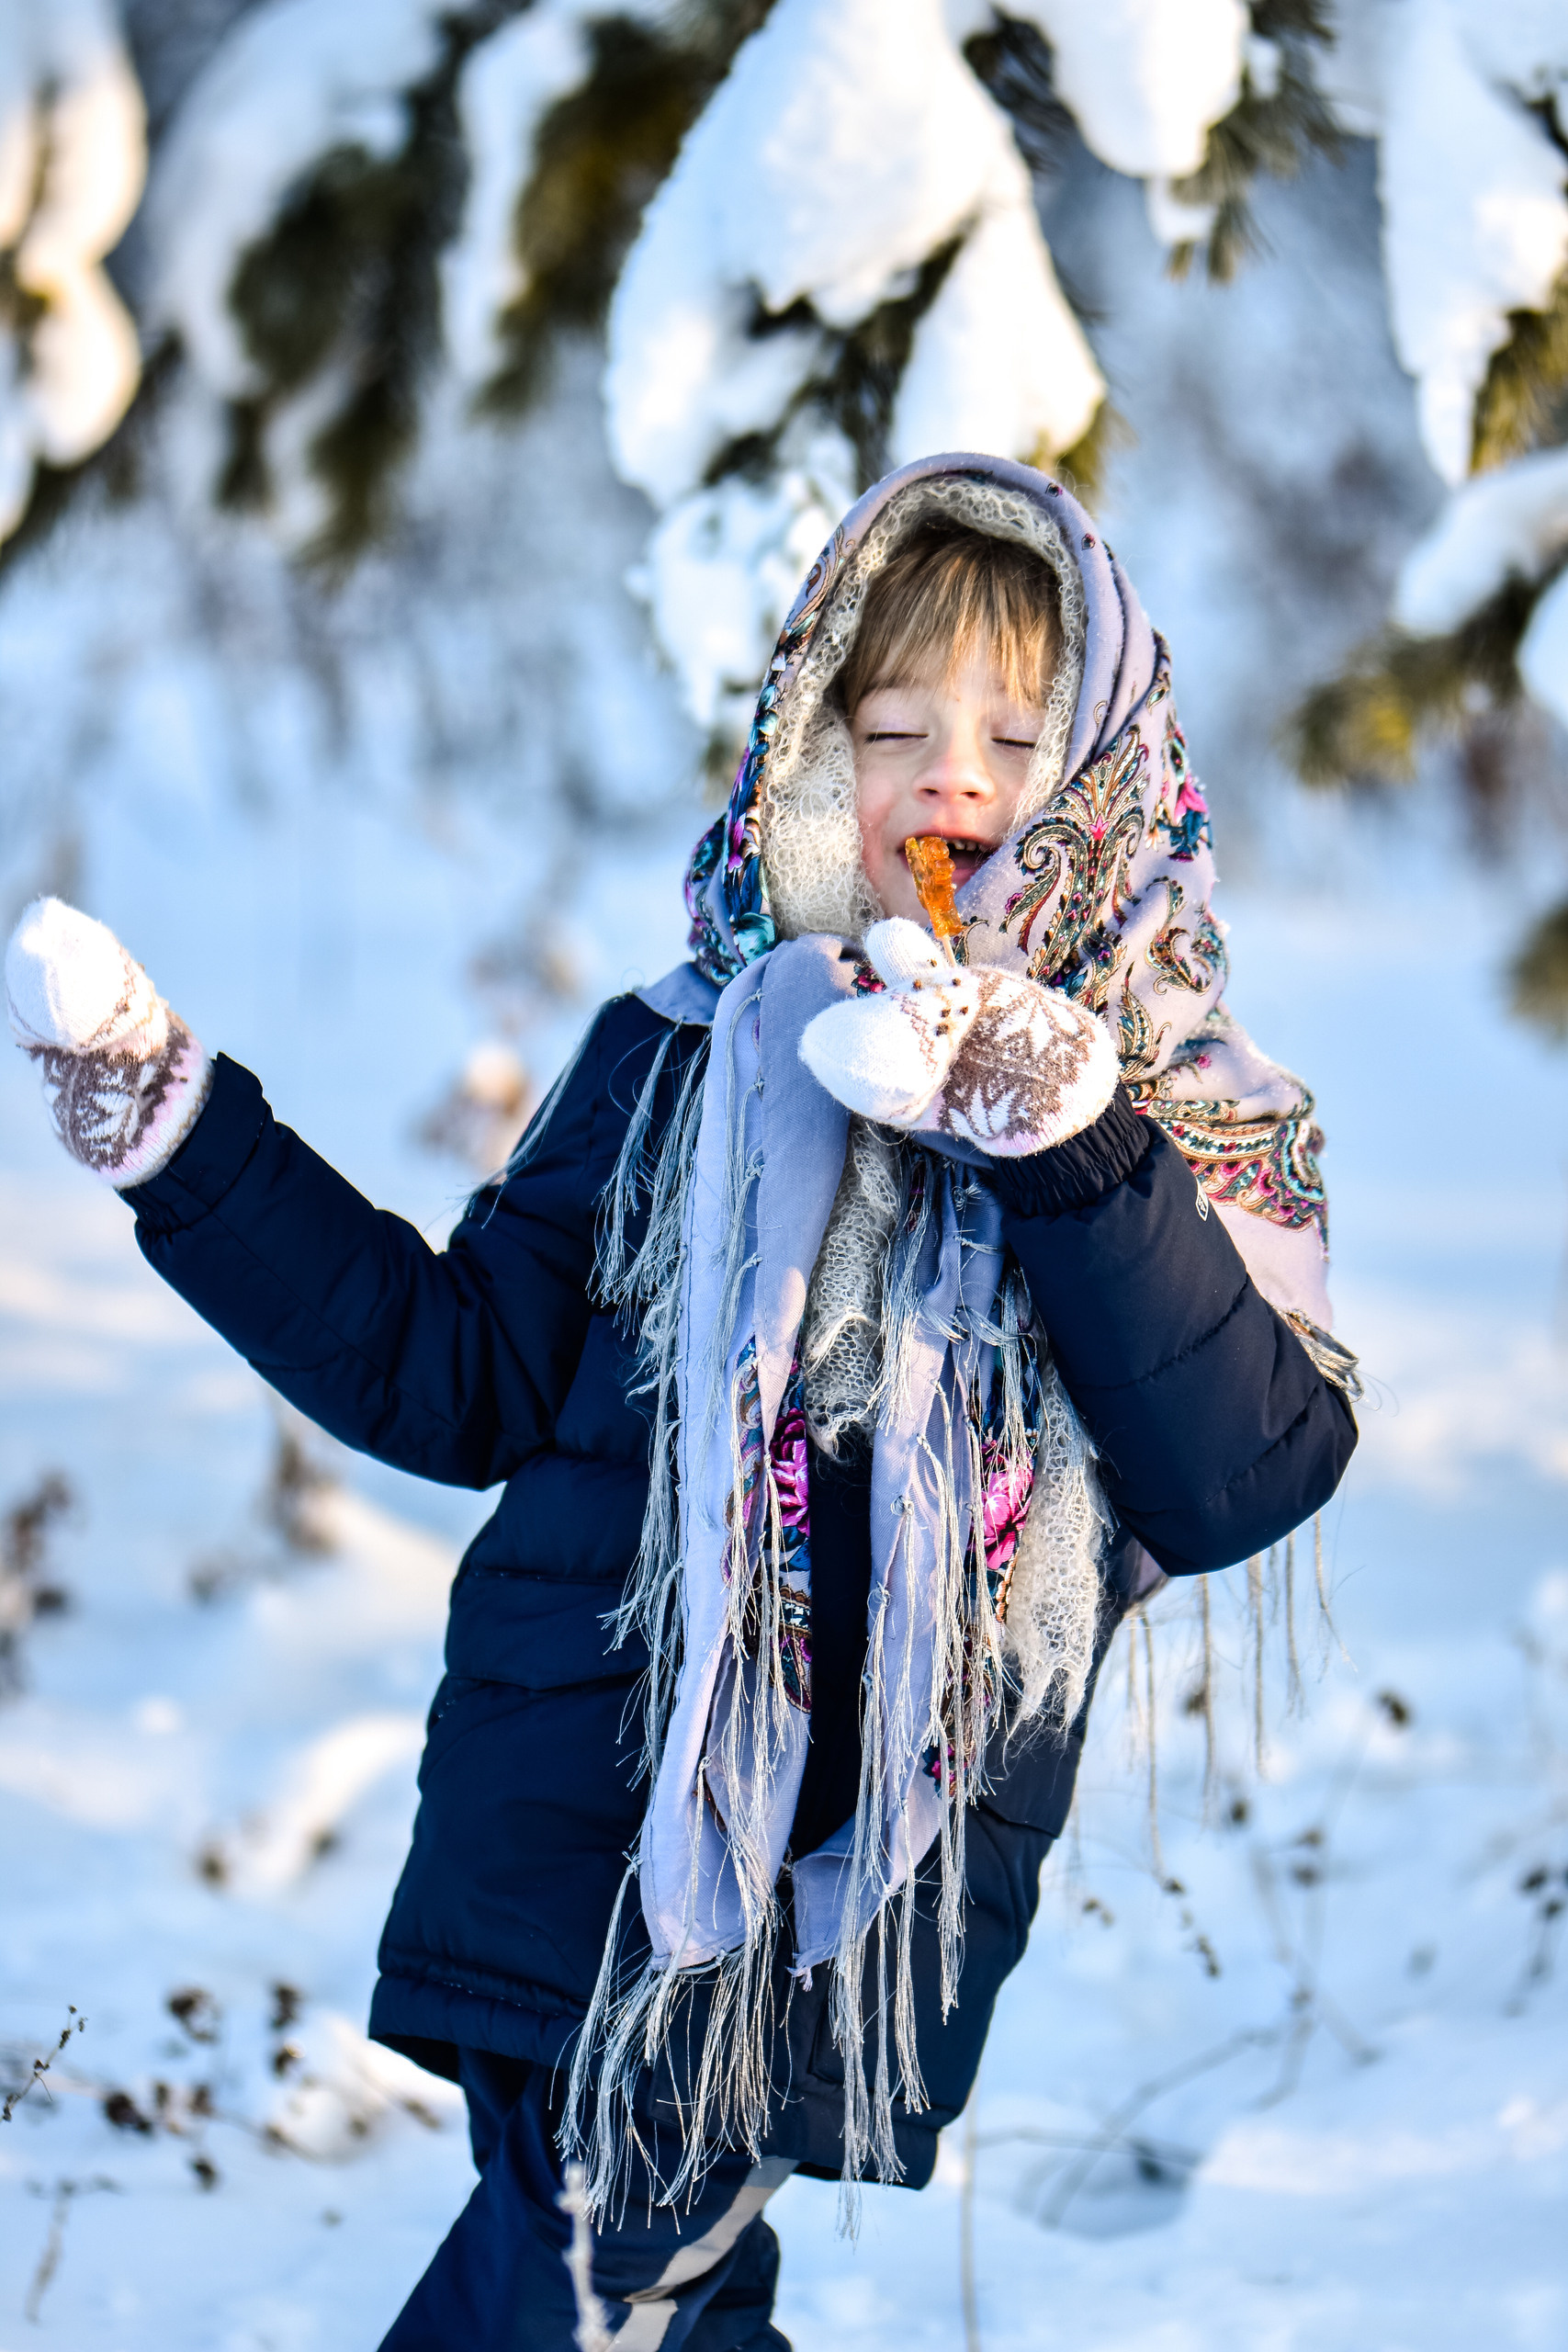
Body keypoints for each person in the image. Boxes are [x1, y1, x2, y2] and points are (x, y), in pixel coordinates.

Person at [6, 454, 1357, 2350]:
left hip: (807, 1913)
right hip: (563, 1829)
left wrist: (1062, 1138)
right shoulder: (680, 1047)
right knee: (618, 2287)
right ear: (811, 748)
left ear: (1109, 775)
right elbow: (458, 1368)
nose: (947, 779)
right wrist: (188, 1146)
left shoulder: (1170, 1107)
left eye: (1010, 730)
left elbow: (1238, 1466)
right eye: (889, 725)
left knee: (593, 2287)